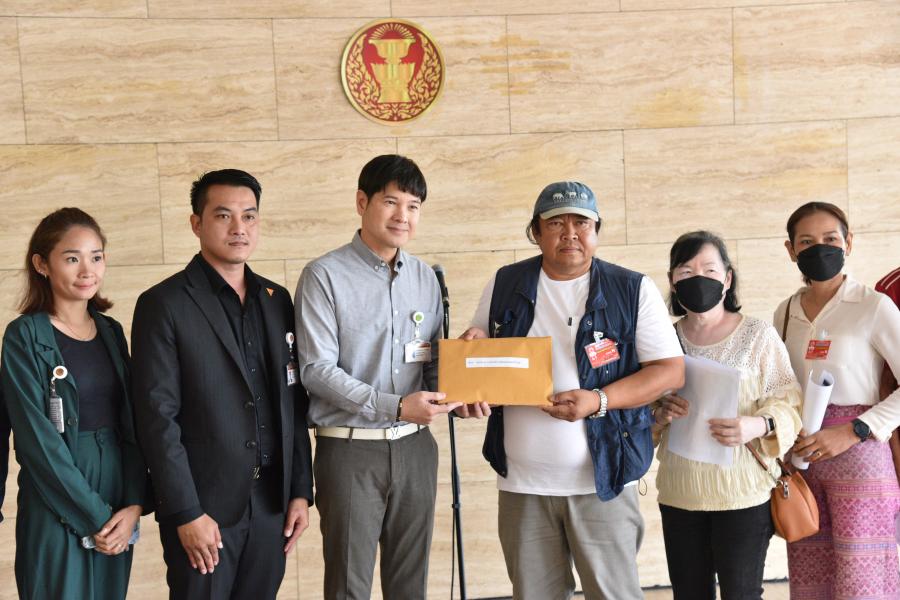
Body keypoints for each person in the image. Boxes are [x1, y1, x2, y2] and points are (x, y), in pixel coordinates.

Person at [461, 181, 684, 600]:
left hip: (602, 480)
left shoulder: (631, 288)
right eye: (555, 223)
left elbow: (670, 372)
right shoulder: (506, 283)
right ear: (536, 231)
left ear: (596, 229)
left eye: (581, 222)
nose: (570, 233)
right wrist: (472, 352)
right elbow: (480, 354)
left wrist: (599, 401)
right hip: (523, 485)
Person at [131, 169, 313, 599]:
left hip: (272, 505)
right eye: (223, 215)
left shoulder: (276, 300)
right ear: (196, 223)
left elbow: (292, 401)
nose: (239, 228)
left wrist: (300, 491)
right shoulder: (164, 304)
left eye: (249, 216)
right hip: (204, 508)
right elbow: (157, 418)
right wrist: (185, 511)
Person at [295, 154, 461, 600]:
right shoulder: (324, 276)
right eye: (391, 202)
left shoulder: (425, 277)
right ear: (361, 202)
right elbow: (316, 370)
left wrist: (463, 390)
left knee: (410, 585)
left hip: (416, 448)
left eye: (413, 206)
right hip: (351, 451)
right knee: (349, 586)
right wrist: (395, 406)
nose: (402, 215)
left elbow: (430, 363)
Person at [1, 207, 147, 599]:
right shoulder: (24, 337)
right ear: (41, 264)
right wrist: (96, 516)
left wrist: (133, 503)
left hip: (116, 491)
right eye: (72, 259)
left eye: (96, 257)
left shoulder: (111, 331)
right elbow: (37, 443)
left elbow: (132, 425)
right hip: (58, 492)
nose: (87, 270)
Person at [653, 231, 801, 600]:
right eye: (686, 272)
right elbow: (643, 409)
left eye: (709, 269)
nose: (698, 278)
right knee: (689, 594)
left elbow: (789, 400)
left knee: (741, 594)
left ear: (728, 278)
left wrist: (758, 424)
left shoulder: (757, 335)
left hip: (742, 494)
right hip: (680, 491)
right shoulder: (662, 341)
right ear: (672, 280)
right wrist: (659, 413)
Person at [776, 202, 900, 599]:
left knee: (862, 580)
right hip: (803, 458)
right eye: (806, 241)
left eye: (830, 239)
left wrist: (854, 430)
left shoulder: (873, 305)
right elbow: (778, 387)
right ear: (791, 250)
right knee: (811, 575)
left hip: (860, 456)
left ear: (848, 243)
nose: (820, 248)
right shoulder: (785, 312)